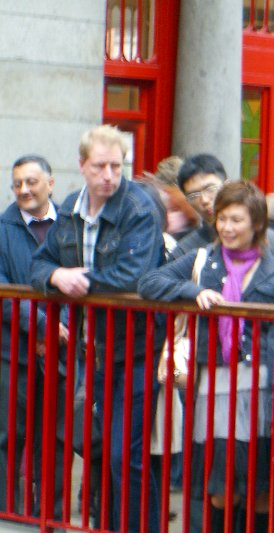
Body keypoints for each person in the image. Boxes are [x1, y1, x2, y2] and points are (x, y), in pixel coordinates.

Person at [30, 125, 165, 532]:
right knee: (104, 449)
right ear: (82, 165)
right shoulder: (71, 207)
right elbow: (40, 262)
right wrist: (56, 275)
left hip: (138, 345)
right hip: (95, 349)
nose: (109, 176)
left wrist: (80, 282)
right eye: (100, 166)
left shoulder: (139, 208)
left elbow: (134, 275)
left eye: (117, 166)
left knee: (126, 452)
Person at [139, 181, 274, 531]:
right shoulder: (203, 259)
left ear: (257, 223)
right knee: (220, 487)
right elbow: (149, 283)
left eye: (236, 220)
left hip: (261, 389)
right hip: (214, 386)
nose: (227, 227)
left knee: (260, 488)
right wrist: (193, 290)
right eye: (222, 218)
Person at [0, 155, 69, 519]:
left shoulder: (70, 225)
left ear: (50, 184)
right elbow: (3, 292)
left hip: (63, 351)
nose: (24, 190)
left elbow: (84, 279)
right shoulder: (2, 228)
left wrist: (63, 329)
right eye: (17, 184)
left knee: (56, 438)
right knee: (8, 436)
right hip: (13, 352)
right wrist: (43, 326)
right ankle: (7, 515)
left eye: (31, 182)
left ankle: (50, 517)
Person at [170, 153, 274, 261]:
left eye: (210, 189)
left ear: (226, 185)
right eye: (194, 195)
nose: (204, 200)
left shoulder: (269, 240)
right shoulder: (184, 251)